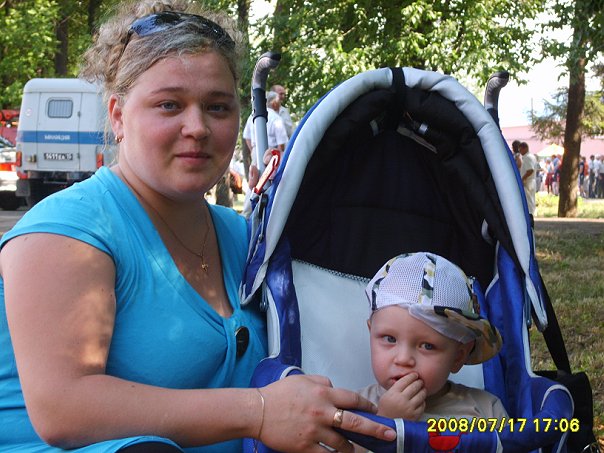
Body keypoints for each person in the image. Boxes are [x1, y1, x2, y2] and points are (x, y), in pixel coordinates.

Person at [0, 1, 396, 452]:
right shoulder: (66, 231)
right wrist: (259, 411)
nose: (198, 127)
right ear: (117, 115)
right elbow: (64, 409)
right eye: (169, 105)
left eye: (217, 107)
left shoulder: (246, 237)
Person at [355, 253, 506, 452]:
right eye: (390, 339)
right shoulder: (356, 410)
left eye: (427, 346)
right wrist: (384, 425)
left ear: (458, 356)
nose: (403, 359)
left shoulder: (486, 411)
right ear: (371, 333)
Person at [519, 141, 537, 218]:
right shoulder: (531, 156)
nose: (520, 152)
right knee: (530, 199)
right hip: (530, 181)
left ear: (525, 148)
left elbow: (530, 170)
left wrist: (522, 179)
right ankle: (530, 214)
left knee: (528, 200)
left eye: (521, 150)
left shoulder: (527, 157)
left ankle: (530, 215)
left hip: (528, 181)